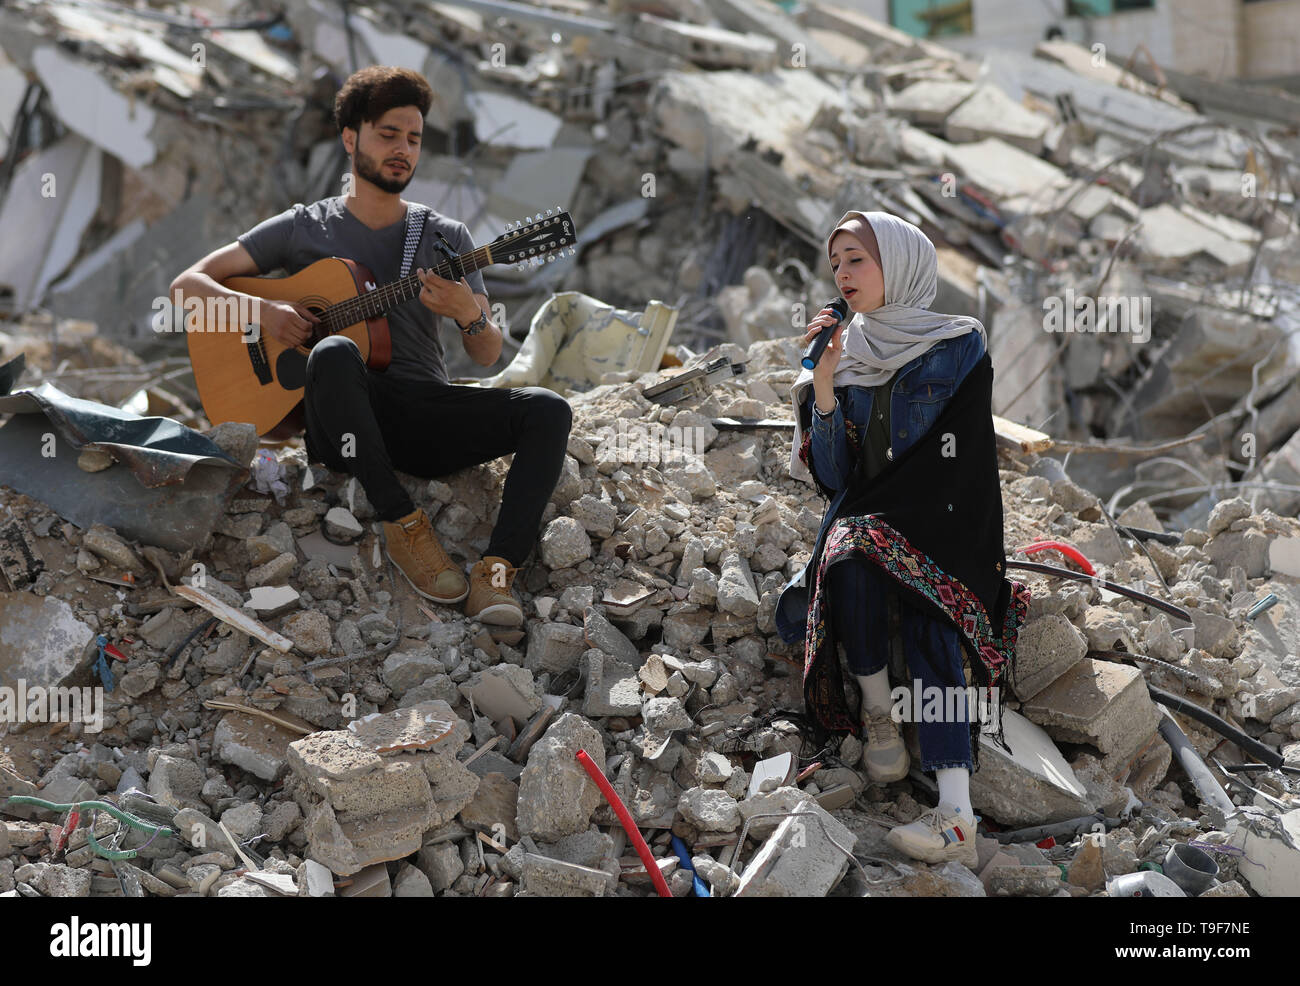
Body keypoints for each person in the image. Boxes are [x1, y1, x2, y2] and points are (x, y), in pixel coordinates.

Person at [170, 66, 572, 626]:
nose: (403, 149)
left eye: (413, 138)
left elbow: (486, 356)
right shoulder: (303, 228)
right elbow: (188, 287)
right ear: (350, 137)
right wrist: (266, 312)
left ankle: (497, 572)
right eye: (388, 134)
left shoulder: (444, 237)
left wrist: (467, 315)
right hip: (343, 425)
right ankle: (402, 522)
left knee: (550, 411)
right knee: (334, 352)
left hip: (423, 415)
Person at [779, 210, 1030, 868]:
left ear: (900, 263)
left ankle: (956, 813)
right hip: (869, 519)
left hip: (950, 521)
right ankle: (876, 713)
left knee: (932, 607)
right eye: (835, 263)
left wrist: (918, 525)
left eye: (856, 258)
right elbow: (833, 479)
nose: (842, 274)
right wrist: (826, 384)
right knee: (849, 555)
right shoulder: (842, 357)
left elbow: (967, 460)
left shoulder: (959, 345)